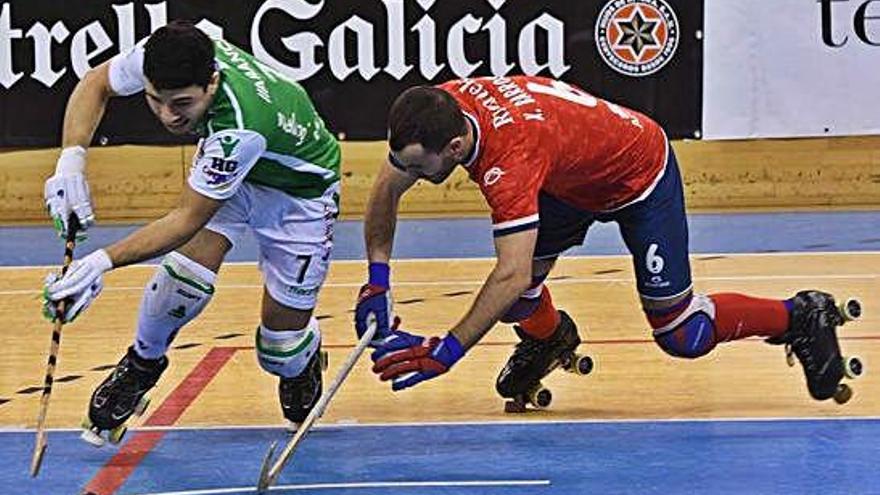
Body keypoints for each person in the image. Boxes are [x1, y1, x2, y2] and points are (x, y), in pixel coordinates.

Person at [353, 75, 856, 405]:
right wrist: (376, 280)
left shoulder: (510, 161)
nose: (411, 173)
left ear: (457, 147)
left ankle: (799, 315)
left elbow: (508, 273)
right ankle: (549, 340)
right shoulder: (439, 109)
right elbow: (387, 187)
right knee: (516, 302)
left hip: (638, 177)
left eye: (422, 167)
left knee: (682, 335)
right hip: (567, 180)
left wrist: (451, 349)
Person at [41, 20, 341, 439]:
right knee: (180, 281)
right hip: (232, 170)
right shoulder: (160, 54)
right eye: (155, 101)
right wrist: (70, 161)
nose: (168, 116)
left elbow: (187, 218)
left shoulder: (240, 126)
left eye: (181, 103)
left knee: (279, 352)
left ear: (212, 82)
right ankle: (142, 364)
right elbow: (96, 82)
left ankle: (302, 356)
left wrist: (99, 263)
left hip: (299, 194)